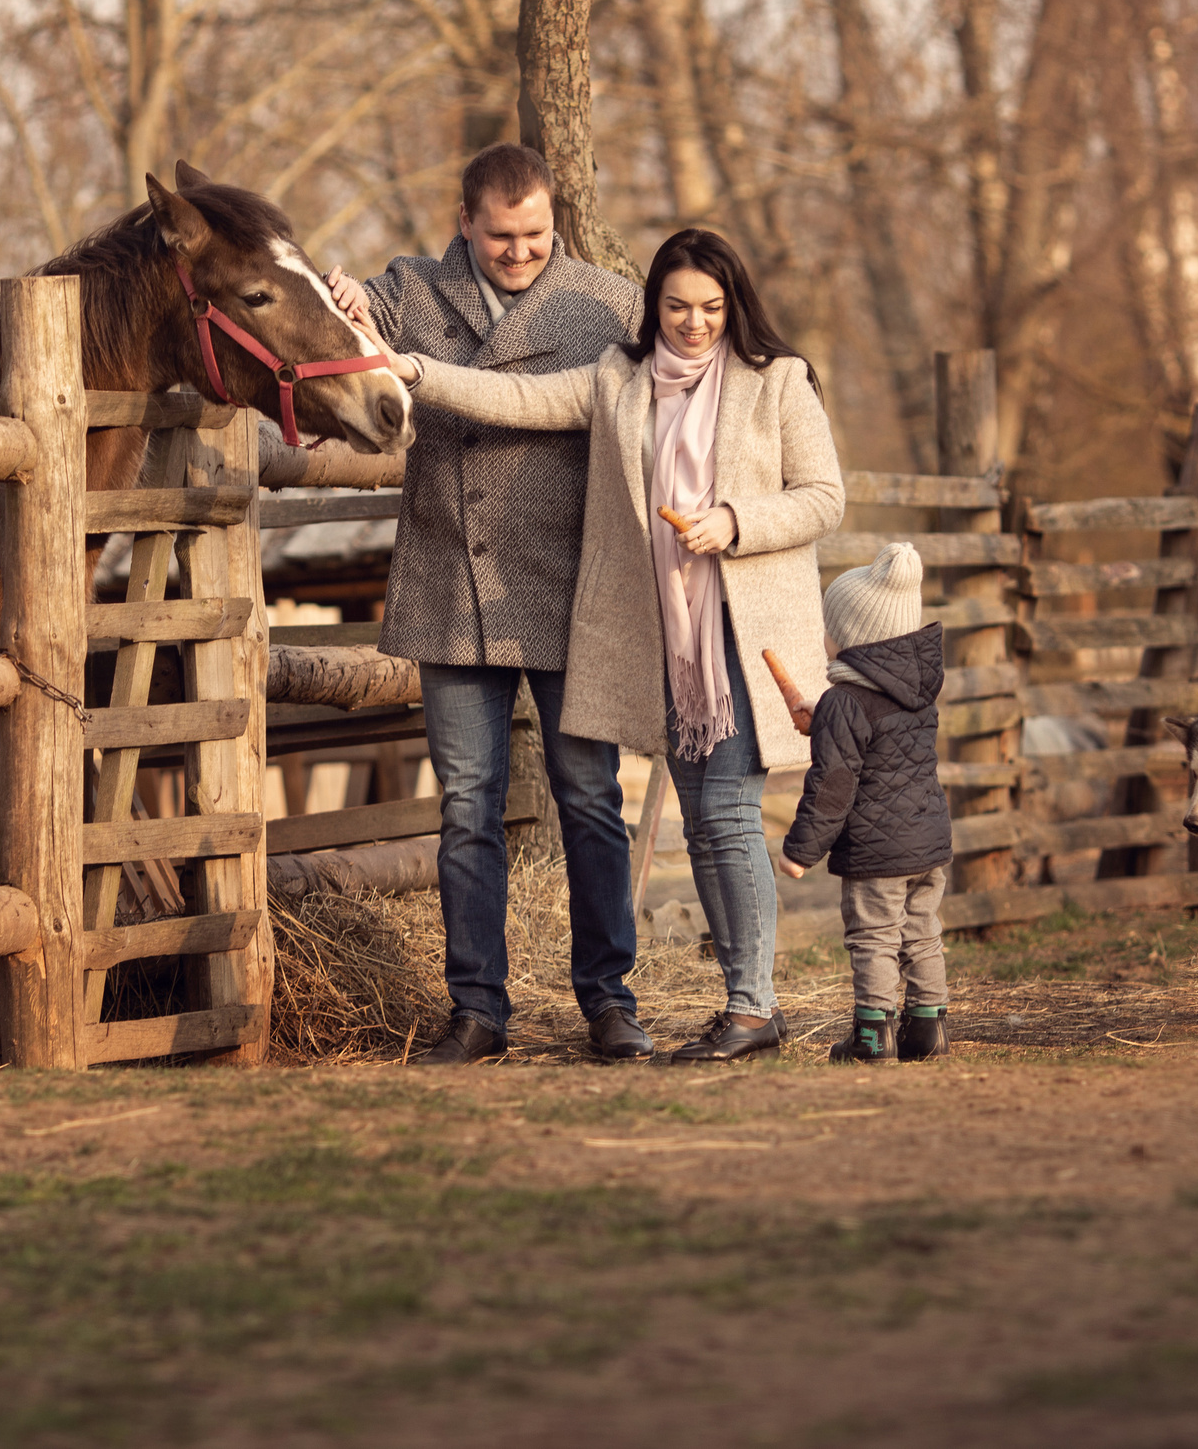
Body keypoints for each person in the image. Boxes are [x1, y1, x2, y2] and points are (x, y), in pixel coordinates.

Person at [354, 228, 844, 1062]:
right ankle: (744, 1007)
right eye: (678, 306)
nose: (694, 324)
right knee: (702, 823)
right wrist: (417, 371)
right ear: (654, 306)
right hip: (668, 636)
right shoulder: (623, 378)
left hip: (742, 630)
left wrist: (735, 522)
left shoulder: (777, 382)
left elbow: (825, 497)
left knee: (726, 815)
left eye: (712, 308)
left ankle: (754, 1006)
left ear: (736, 307)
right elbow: (525, 401)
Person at [320, 143, 650, 1065]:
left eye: (536, 234)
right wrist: (339, 298)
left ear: (558, 221)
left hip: (567, 586)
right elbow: (346, 324)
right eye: (500, 235)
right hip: (451, 585)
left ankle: (609, 1001)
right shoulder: (412, 289)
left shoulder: (606, 306)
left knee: (589, 799)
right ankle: (478, 1010)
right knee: (468, 805)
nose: (518, 251)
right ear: (465, 221)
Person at [780, 545, 955, 1063]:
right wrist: (827, 719)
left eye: (829, 628)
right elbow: (879, 745)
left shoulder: (844, 703)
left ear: (853, 639)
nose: (824, 638)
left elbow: (834, 783)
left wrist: (800, 850)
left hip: (878, 853)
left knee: (874, 938)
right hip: (927, 842)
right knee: (922, 933)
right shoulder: (918, 693)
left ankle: (873, 1037)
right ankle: (928, 1028)